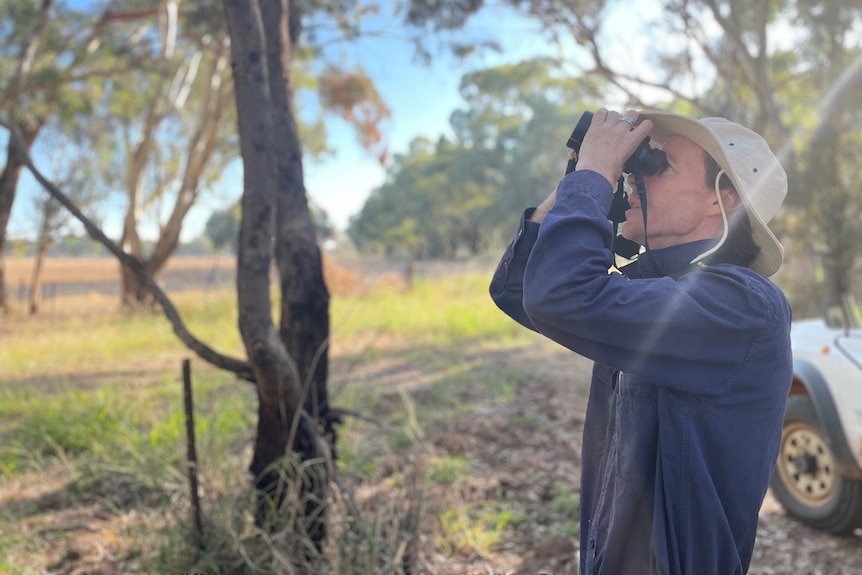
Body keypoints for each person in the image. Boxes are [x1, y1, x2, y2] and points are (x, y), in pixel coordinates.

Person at [489, 109, 793, 574]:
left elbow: (559, 295)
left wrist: (597, 174)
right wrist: (579, 175)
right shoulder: (655, 287)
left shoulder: (741, 306)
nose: (634, 179)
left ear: (722, 200)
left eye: (659, 166)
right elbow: (518, 291)